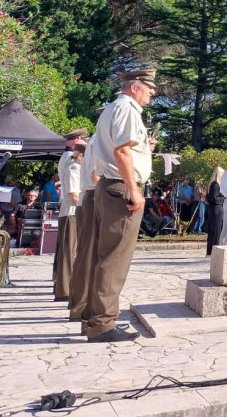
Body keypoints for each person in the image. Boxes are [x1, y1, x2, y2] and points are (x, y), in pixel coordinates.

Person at [85, 68, 156, 343]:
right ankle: (102, 324)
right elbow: (122, 151)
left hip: (109, 185)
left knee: (104, 256)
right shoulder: (127, 109)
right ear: (135, 86)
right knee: (115, 258)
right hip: (120, 186)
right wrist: (135, 190)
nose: (152, 94)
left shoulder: (113, 109)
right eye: (150, 89)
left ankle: (95, 318)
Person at [69, 120, 101, 325]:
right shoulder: (99, 142)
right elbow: (95, 175)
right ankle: (81, 307)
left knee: (86, 255)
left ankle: (80, 305)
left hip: (88, 197)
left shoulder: (95, 141)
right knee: (89, 256)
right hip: (92, 196)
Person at [54, 138, 85, 301]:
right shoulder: (74, 168)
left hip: (72, 212)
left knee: (69, 251)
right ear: (80, 156)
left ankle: (63, 286)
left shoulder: (75, 166)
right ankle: (64, 290)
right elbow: (74, 195)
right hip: (72, 212)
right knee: (68, 252)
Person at [205, 166, 226, 256]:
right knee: (215, 230)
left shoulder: (214, 184)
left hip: (215, 209)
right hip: (216, 209)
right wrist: (224, 198)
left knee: (216, 230)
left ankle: (211, 251)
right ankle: (212, 251)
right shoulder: (215, 184)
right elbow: (215, 198)